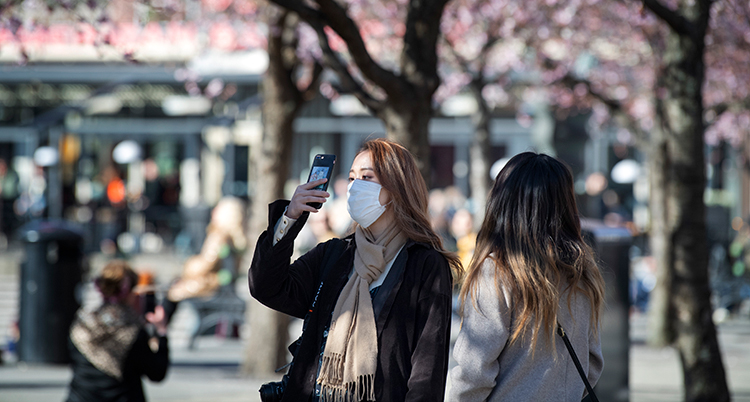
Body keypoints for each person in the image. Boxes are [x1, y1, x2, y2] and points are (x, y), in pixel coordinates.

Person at [248, 138, 462, 402]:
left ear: (396, 187)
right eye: (351, 178)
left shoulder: (425, 264)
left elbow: (427, 369)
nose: (354, 187)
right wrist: (289, 219)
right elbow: (267, 287)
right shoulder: (335, 254)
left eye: (366, 177)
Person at [449, 152, 605, 401]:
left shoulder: (497, 271)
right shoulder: (581, 270)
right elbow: (592, 363)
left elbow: (474, 371)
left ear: (502, 203)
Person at [67, 260, 169, 402]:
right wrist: (161, 332)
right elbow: (157, 373)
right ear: (130, 292)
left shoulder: (81, 325)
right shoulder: (132, 331)